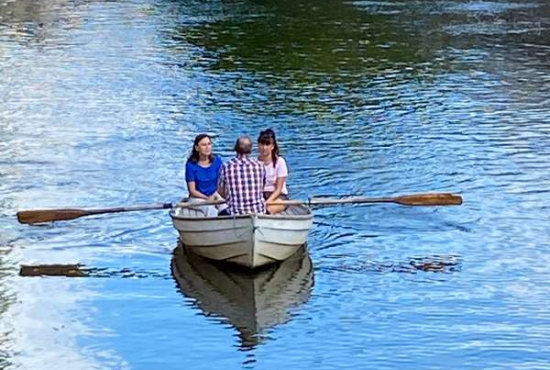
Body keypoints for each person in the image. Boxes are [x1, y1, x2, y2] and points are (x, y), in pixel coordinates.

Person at [218, 136, 266, 215]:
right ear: (250, 149)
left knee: (220, 214)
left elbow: (220, 191)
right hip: (258, 211)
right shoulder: (260, 165)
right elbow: (262, 188)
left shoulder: (226, 166)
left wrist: (230, 197)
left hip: (235, 213)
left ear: (236, 148)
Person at [185, 134, 225, 217]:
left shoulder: (217, 161)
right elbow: (192, 190)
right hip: (197, 198)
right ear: (197, 148)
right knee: (211, 210)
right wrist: (207, 199)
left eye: (209, 144)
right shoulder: (191, 165)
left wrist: (214, 196)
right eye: (204, 145)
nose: (207, 147)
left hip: (215, 195)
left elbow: (222, 184)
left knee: (225, 208)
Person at [257, 129, 289, 214]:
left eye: (267, 144)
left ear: (272, 146)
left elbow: (279, 188)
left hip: (278, 196)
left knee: (267, 210)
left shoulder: (280, 162)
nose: (264, 148)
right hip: (260, 195)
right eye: (262, 144)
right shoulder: (255, 163)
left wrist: (267, 202)